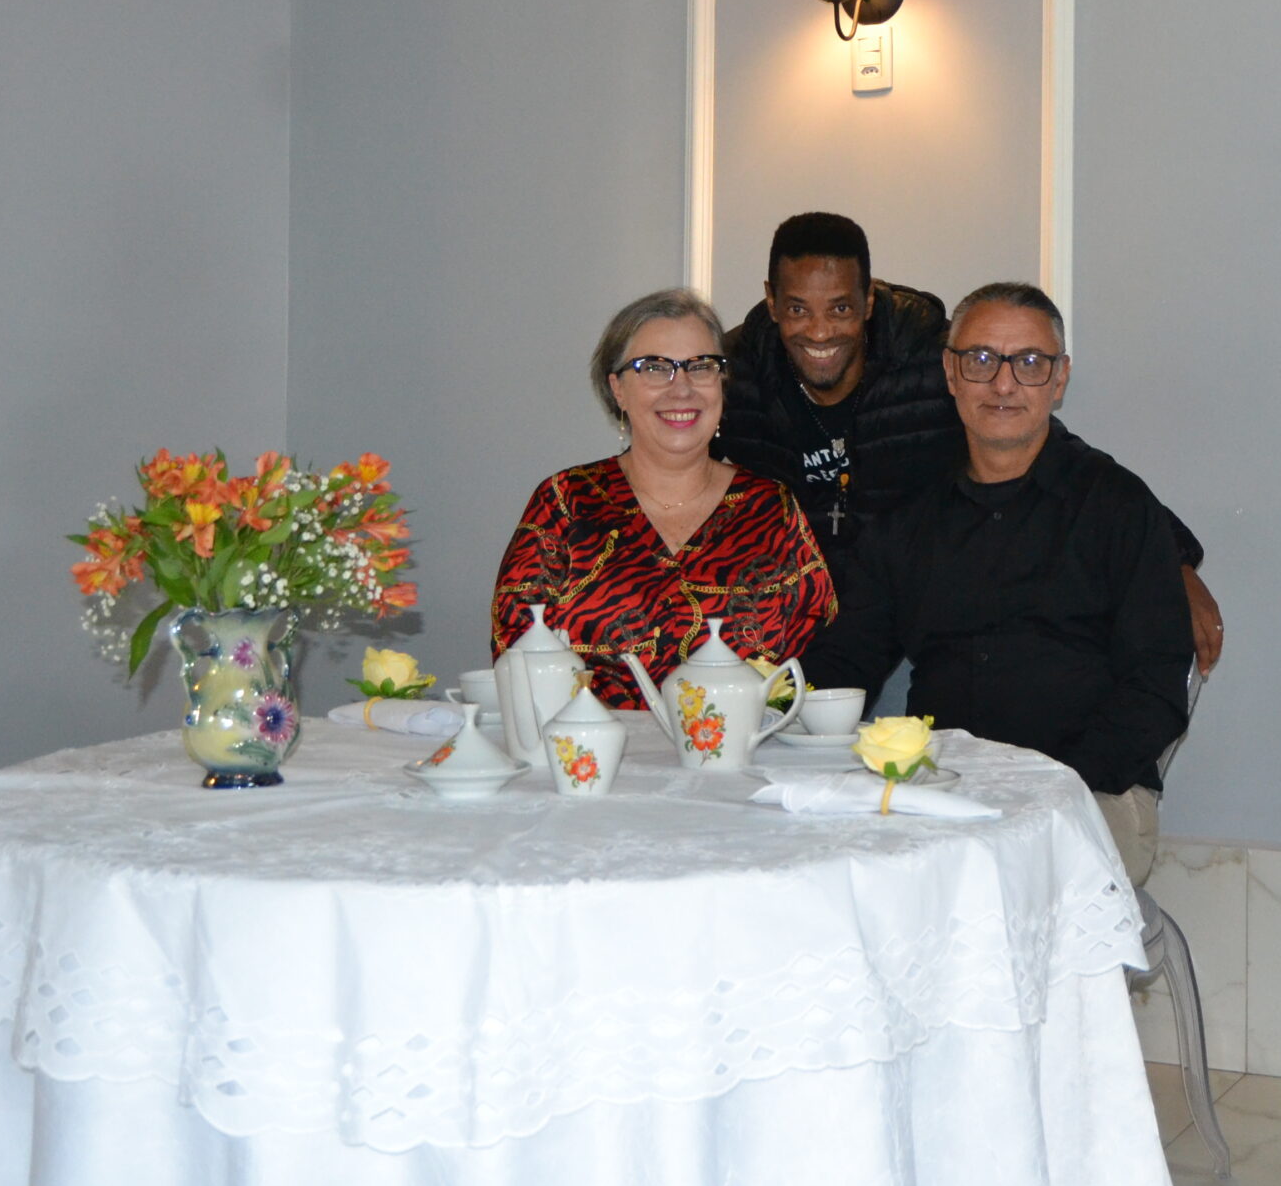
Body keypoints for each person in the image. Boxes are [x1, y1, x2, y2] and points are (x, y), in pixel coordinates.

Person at [802, 282, 1191, 883]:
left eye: (1029, 363)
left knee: (993, 888)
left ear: (1059, 380)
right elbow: (849, 656)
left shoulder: (1116, 506)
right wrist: (770, 705)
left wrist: (1049, 786)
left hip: (1088, 793)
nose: (1003, 384)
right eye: (981, 359)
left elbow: (1156, 687)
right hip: (941, 791)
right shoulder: (909, 516)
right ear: (950, 373)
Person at [720, 212, 1226, 673]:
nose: (819, 331)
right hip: (789, 625)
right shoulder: (736, 373)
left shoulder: (929, 356)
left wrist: (1171, 560)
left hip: (905, 616)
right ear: (772, 301)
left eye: (840, 308)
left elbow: (1035, 435)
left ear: (868, 301)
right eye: (798, 309)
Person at [492, 288, 834, 710]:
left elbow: (818, 665)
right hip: (586, 747)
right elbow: (516, 660)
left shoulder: (770, 510)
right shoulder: (564, 503)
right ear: (617, 389)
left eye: (701, 366)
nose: (682, 389)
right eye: (654, 368)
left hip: (743, 749)